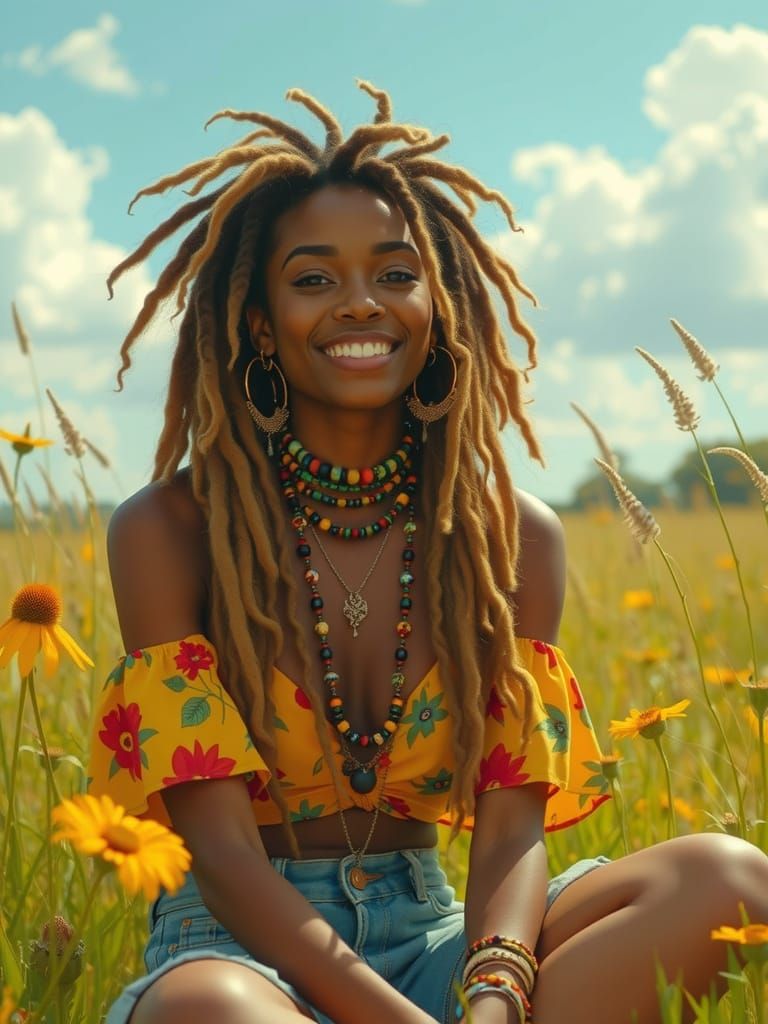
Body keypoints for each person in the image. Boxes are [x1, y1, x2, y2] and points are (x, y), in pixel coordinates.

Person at [88, 82, 768, 1024]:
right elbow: (225, 856)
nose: (360, 303)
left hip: (440, 938)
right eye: (315, 278)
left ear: (438, 304)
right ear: (255, 319)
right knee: (213, 1013)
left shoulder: (512, 535)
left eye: (396, 274)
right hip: (240, 956)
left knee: (728, 878)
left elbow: (509, 834)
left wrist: (492, 996)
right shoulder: (168, 531)